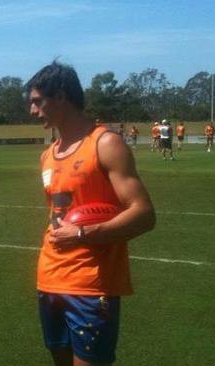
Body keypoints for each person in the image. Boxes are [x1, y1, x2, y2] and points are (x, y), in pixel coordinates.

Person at [25, 61, 155, 366]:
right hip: (49, 278)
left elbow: (144, 214)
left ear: (60, 96)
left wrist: (83, 233)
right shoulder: (48, 154)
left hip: (91, 285)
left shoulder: (105, 143)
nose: (32, 111)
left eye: (37, 101)